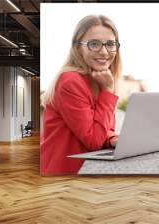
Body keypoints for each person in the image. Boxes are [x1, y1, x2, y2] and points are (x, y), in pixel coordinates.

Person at [40, 15, 122, 175]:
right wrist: (107, 91)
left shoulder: (99, 78)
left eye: (111, 44)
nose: (104, 51)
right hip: (63, 174)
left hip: (86, 170)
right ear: (77, 47)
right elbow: (94, 141)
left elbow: (99, 127)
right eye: (94, 44)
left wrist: (111, 137)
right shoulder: (71, 82)